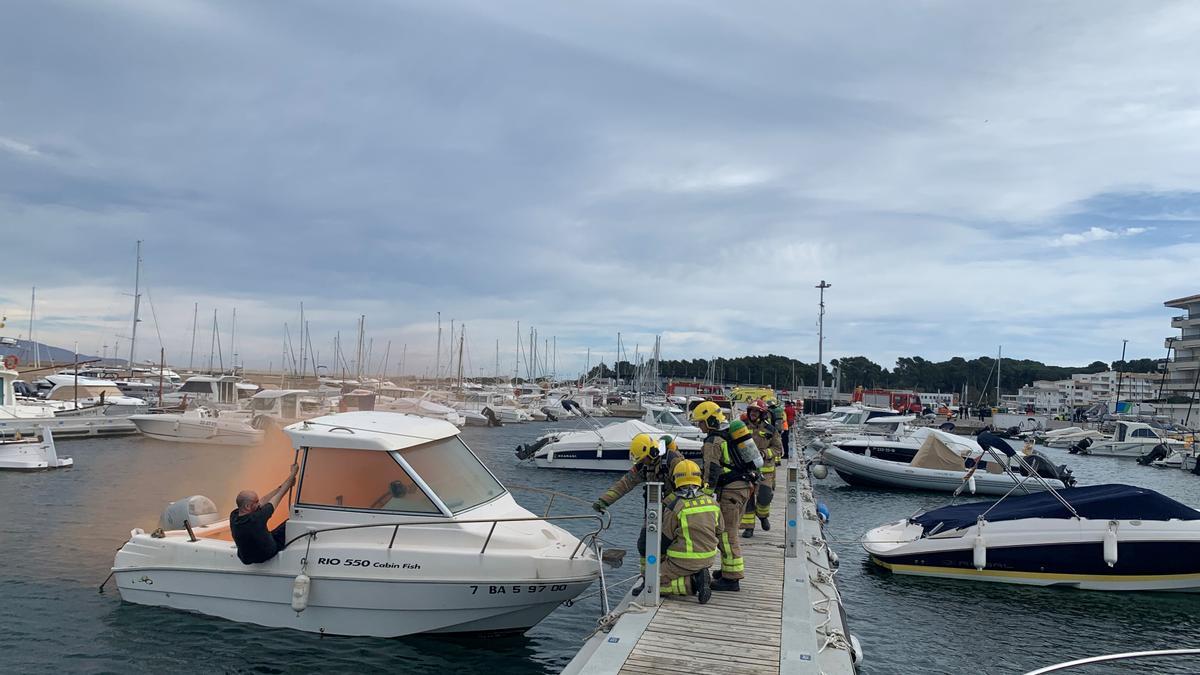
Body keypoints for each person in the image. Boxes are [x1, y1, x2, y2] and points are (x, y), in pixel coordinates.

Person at [592, 433, 687, 593]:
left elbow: (683, 490)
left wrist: (663, 504)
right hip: (654, 511)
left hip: (673, 511)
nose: (642, 462)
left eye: (644, 459)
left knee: (664, 545)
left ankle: (660, 578)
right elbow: (626, 482)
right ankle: (647, 577)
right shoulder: (645, 464)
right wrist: (604, 501)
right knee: (644, 545)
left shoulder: (673, 461)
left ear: (652, 452)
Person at [691, 400, 755, 592]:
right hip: (743, 486)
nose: (700, 426)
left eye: (701, 422)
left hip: (730, 491)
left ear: (710, 421)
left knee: (727, 534)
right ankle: (728, 570)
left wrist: (705, 494)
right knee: (731, 531)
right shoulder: (726, 435)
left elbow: (712, 470)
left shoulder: (712, 441)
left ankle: (732, 579)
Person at [658, 459, 720, 604]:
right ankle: (699, 574)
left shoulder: (675, 506)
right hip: (708, 558)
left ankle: (694, 582)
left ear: (675, 481)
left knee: (651, 583)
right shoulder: (713, 502)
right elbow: (720, 529)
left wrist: (659, 561)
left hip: (682, 561)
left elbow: (666, 537)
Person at [230, 464, 299, 565]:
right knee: (294, 521)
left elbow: (263, 501)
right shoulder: (256, 519)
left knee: (267, 533)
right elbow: (279, 496)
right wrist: (293, 473)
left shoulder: (234, 516)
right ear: (248, 507)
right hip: (266, 553)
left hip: (246, 557)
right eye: (256, 502)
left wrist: (283, 485)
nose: (259, 504)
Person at [740, 399, 782, 538]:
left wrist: (764, 453)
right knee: (748, 498)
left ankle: (763, 516)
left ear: (762, 413)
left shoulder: (770, 429)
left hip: (766, 470)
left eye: (756, 411)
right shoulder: (742, 427)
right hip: (746, 469)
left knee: (765, 496)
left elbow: (777, 448)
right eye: (751, 411)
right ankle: (748, 528)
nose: (753, 413)